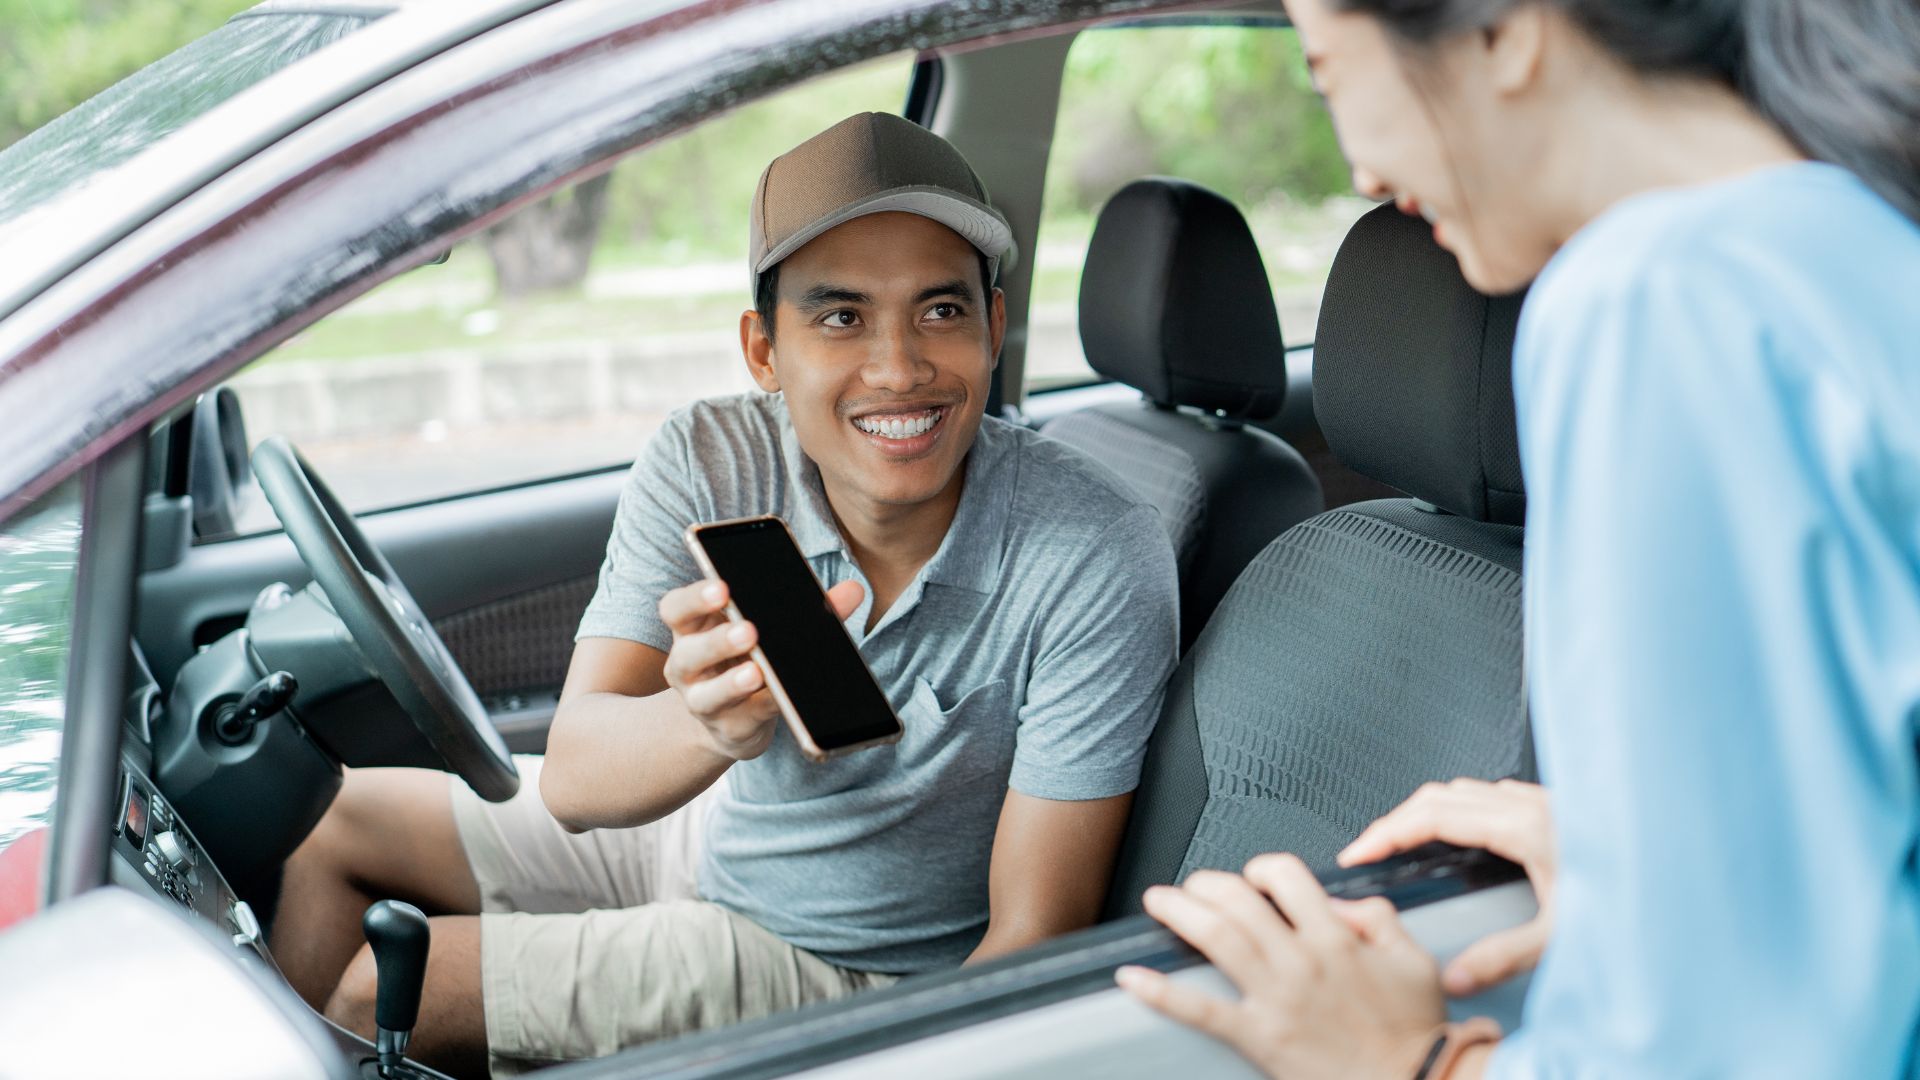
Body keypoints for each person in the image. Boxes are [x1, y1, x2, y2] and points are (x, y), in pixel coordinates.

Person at [274, 112, 1179, 1077]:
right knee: (322, 816)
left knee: (385, 991)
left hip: (852, 958)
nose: (899, 366)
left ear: (996, 327)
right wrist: (707, 729)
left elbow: (1032, 942)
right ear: (762, 352)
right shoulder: (712, 456)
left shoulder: (1093, 551)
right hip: (715, 832)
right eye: (841, 317)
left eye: (942, 311)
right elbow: (580, 777)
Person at [1117, 0, 1920, 1076]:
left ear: (1508, 27)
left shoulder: (1658, 300)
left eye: (1327, 72)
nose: (1358, 170)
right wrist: (1638, 869)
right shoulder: (1857, 246)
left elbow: (1729, 1052)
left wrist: (1405, 1062)